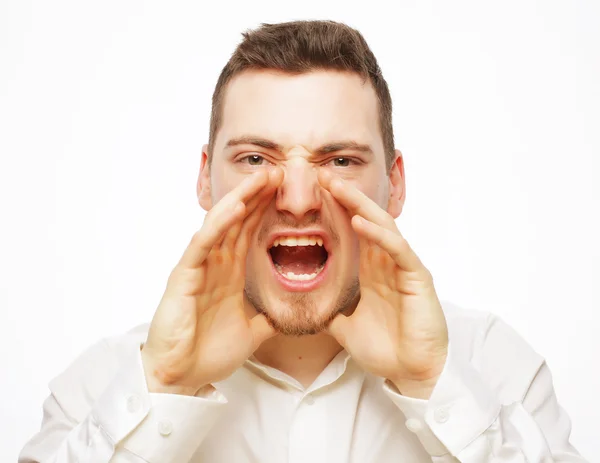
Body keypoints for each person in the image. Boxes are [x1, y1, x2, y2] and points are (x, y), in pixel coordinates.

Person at [19, 20, 586, 463]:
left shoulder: (492, 366)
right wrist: (166, 385)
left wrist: (434, 385)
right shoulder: (101, 385)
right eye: (255, 159)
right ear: (203, 179)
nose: (296, 198)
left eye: (339, 160)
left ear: (395, 186)